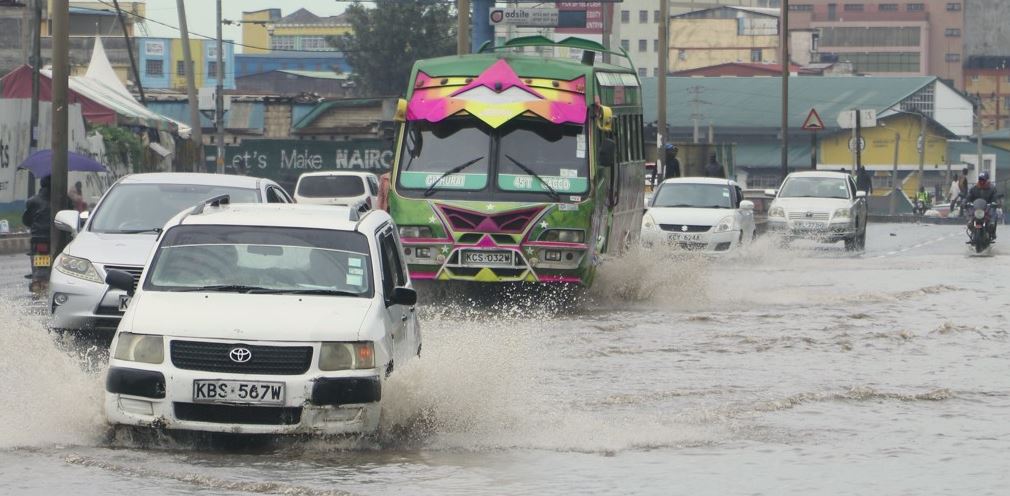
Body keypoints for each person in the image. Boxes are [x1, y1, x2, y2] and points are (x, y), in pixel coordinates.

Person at [965, 171, 1000, 239]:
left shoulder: (992, 189)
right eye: (980, 180)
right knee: (969, 213)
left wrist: (995, 203)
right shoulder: (973, 188)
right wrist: (965, 202)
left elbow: (995, 198)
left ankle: (992, 231)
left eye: (983, 180)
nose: (981, 181)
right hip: (976, 208)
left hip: (988, 208)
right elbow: (968, 197)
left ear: (987, 180)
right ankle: (971, 227)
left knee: (994, 215)